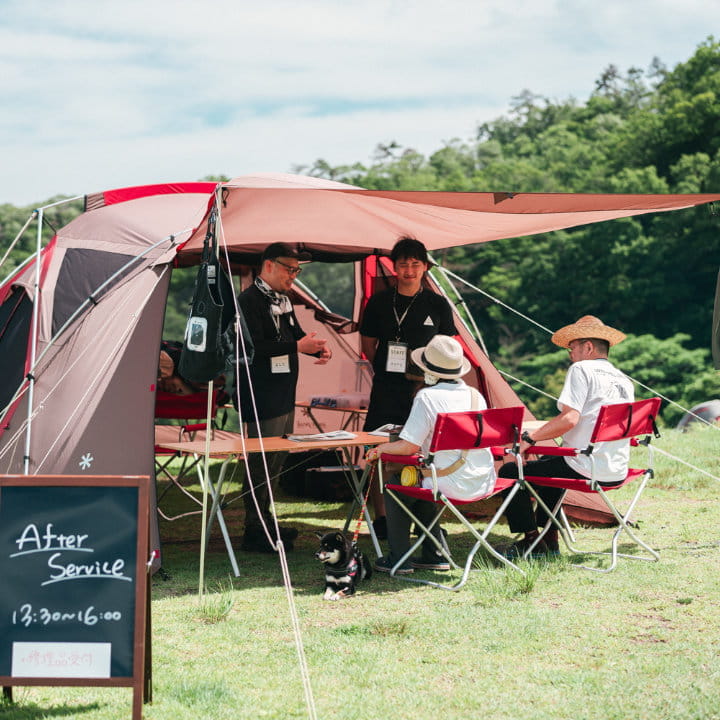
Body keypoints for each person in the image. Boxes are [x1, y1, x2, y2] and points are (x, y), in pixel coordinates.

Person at [499, 315, 634, 558]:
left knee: (509, 472)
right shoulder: (623, 379)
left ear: (588, 347)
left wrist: (529, 439)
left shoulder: (581, 369)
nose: (570, 354)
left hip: (586, 466)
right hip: (616, 468)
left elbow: (570, 419)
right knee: (552, 465)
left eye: (572, 348)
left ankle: (531, 540)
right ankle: (549, 537)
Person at [364, 335, 496, 574]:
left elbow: (408, 447)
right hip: (483, 479)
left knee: (397, 486)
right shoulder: (475, 396)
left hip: (449, 481)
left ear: (428, 371)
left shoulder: (427, 397)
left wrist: (379, 449)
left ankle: (399, 558)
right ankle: (433, 553)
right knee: (423, 482)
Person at [236, 242, 332, 552]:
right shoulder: (248, 300)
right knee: (261, 461)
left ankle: (266, 521)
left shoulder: (284, 299)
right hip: (261, 393)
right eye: (289, 269)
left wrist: (316, 348)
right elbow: (253, 347)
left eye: (297, 270)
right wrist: (296, 347)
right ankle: (254, 529)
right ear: (269, 265)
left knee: (276, 460)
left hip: (284, 391)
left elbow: (295, 336)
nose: (293, 276)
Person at [360, 236, 457, 538]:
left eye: (416, 264)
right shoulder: (379, 301)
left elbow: (449, 347)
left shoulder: (437, 303)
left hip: (427, 391)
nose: (409, 271)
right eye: (403, 264)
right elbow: (367, 344)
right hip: (386, 388)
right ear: (394, 267)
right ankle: (382, 518)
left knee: (426, 451)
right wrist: (388, 369)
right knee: (378, 449)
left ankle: (423, 517)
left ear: (425, 267)